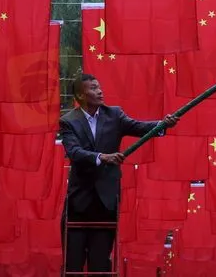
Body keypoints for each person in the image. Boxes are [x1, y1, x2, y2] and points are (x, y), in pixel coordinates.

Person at [59, 73, 179, 275]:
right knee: (73, 263)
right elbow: (74, 152)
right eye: (93, 88)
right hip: (79, 200)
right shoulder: (68, 121)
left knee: (100, 264)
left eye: (99, 87)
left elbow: (140, 127)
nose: (100, 91)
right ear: (80, 95)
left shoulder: (114, 115)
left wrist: (162, 124)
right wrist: (101, 157)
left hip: (106, 200)